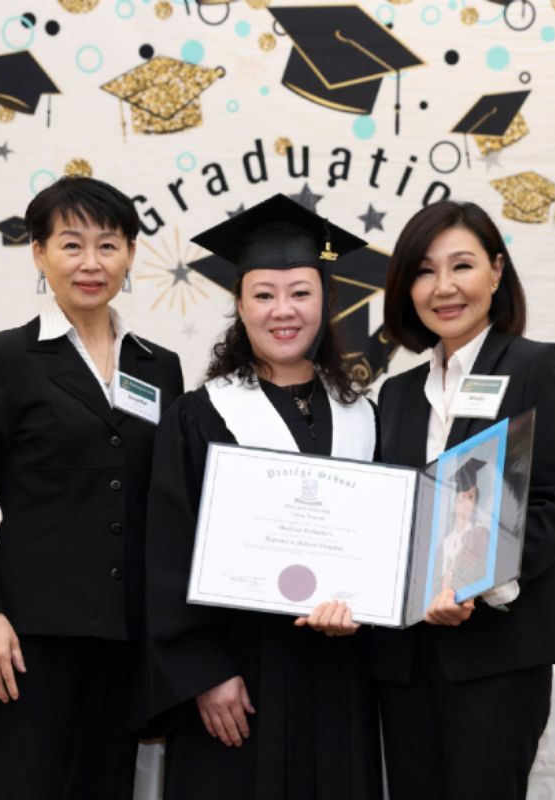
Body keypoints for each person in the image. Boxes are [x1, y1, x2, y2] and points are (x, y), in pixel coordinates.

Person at [0, 176, 184, 799]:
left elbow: (169, 496)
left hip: (129, 630)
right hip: (34, 633)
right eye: (71, 245)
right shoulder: (7, 358)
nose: (91, 263)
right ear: (39, 254)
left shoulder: (159, 366)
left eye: (108, 245)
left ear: (131, 255)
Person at [143, 194, 382, 800]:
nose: (284, 311)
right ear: (241, 304)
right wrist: (205, 672)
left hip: (339, 670)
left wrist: (364, 608)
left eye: (300, 292)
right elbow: (167, 552)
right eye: (264, 294)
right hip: (238, 675)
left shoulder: (364, 416)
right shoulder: (200, 416)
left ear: (325, 301)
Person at [373, 200, 555, 799]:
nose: (443, 287)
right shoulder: (397, 394)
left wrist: (475, 582)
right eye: (424, 271)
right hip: (405, 657)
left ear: (497, 271)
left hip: (498, 649)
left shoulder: (538, 367)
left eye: (462, 265)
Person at [431, 458, 490, 599]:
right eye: (462, 497)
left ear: (475, 503)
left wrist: (453, 581)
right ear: (455, 503)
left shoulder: (480, 533)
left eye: (471, 497)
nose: (465, 502)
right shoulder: (446, 541)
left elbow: (479, 570)